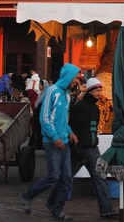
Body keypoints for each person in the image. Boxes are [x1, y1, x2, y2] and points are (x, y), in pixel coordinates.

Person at [21, 63, 82, 220]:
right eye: (75, 78)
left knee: (67, 179)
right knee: (54, 176)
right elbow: (45, 118)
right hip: (53, 143)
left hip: (64, 143)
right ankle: (28, 195)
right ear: (68, 76)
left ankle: (56, 208)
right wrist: (55, 138)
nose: (77, 81)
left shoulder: (67, 95)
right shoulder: (52, 92)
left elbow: (62, 121)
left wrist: (70, 132)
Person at [68, 77, 118, 219]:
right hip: (79, 150)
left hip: (92, 149)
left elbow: (93, 129)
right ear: (89, 91)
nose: (99, 93)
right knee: (65, 178)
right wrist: (76, 148)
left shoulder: (96, 108)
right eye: (96, 90)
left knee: (100, 179)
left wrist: (93, 141)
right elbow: (73, 128)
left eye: (100, 90)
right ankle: (54, 205)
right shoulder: (78, 107)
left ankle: (106, 210)